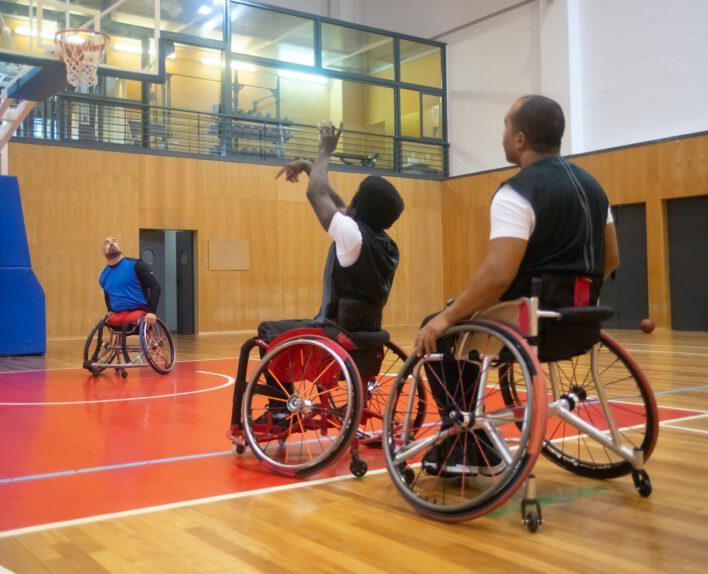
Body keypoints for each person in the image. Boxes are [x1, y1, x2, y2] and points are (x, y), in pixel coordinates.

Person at [415, 95, 619, 476]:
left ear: (520, 139)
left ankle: (465, 445)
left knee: (442, 329)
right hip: (582, 323)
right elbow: (611, 261)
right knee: (461, 314)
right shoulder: (596, 189)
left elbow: (497, 276)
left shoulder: (516, 192)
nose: (503, 136)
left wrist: (446, 317)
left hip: (530, 325)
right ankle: (471, 443)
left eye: (506, 128)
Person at [228, 121, 405, 430]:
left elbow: (316, 194)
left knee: (266, 329)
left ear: (361, 205)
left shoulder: (353, 235)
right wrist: (311, 166)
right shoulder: (386, 244)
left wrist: (325, 150)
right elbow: (340, 206)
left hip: (335, 330)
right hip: (367, 333)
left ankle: (280, 409)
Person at [99, 237, 161, 328]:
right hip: (118, 314)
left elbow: (155, 287)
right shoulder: (104, 275)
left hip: (138, 311)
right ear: (103, 253)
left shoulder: (137, 265)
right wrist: (110, 310)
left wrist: (152, 312)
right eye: (107, 243)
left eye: (114, 241)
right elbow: (107, 294)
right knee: (106, 321)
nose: (111, 243)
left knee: (133, 318)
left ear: (121, 248)